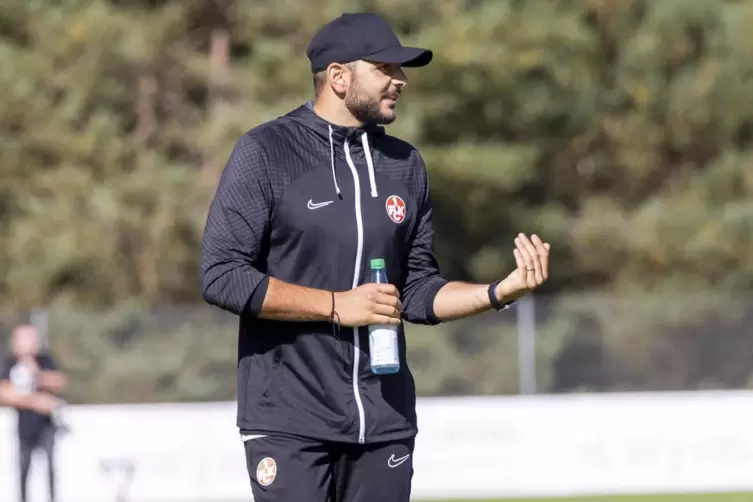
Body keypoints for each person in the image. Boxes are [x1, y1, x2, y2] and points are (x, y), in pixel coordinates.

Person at [200, 11, 550, 502]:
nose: (400, 81)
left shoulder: (405, 165)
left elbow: (418, 291)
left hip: (385, 422)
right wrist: (336, 305)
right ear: (339, 77)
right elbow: (222, 275)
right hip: (289, 421)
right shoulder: (266, 152)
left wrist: (498, 291)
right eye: (385, 68)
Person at [0, 324, 67, 502]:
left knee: (51, 468)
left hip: (46, 425)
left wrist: (37, 373)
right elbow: (5, 392)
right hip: (24, 425)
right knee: (23, 468)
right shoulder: (9, 363)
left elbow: (59, 380)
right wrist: (37, 402)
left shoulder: (45, 360)